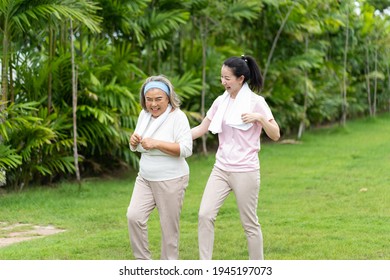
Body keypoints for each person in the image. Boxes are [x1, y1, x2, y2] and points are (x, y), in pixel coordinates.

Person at [191, 55, 280, 260]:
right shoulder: (220, 101)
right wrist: (175, 138)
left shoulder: (256, 103)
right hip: (221, 169)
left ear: (240, 79)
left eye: (227, 78)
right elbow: (202, 128)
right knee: (205, 214)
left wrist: (259, 118)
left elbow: (275, 134)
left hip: (245, 171)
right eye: (221, 77)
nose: (223, 82)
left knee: (249, 223)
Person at [126, 75, 192, 260]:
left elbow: (186, 149)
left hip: (171, 179)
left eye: (158, 99)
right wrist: (133, 142)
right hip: (145, 177)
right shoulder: (144, 115)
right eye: (149, 99)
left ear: (168, 98)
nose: (153, 104)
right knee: (134, 216)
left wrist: (156, 143)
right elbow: (138, 145)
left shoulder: (178, 117)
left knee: (169, 230)